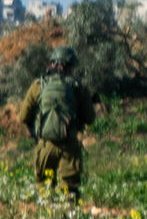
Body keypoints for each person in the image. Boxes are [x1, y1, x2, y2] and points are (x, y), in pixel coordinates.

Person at [18, 46, 97, 201]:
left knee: (43, 188)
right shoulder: (77, 87)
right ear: (70, 66)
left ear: (52, 63)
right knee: (69, 190)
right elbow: (90, 118)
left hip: (45, 145)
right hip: (69, 146)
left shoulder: (38, 86)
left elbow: (23, 116)